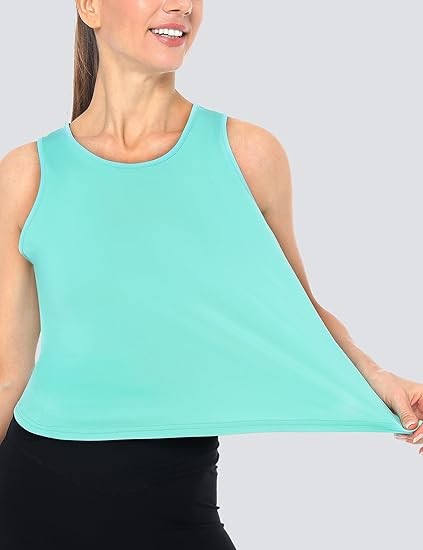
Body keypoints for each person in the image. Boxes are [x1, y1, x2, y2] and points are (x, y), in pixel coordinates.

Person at [1, 0, 422, 548]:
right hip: (33, 489)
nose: (181, 5)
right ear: (90, 7)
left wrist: (379, 377)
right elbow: (8, 371)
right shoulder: (27, 174)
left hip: (175, 499)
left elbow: (295, 309)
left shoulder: (246, 154)